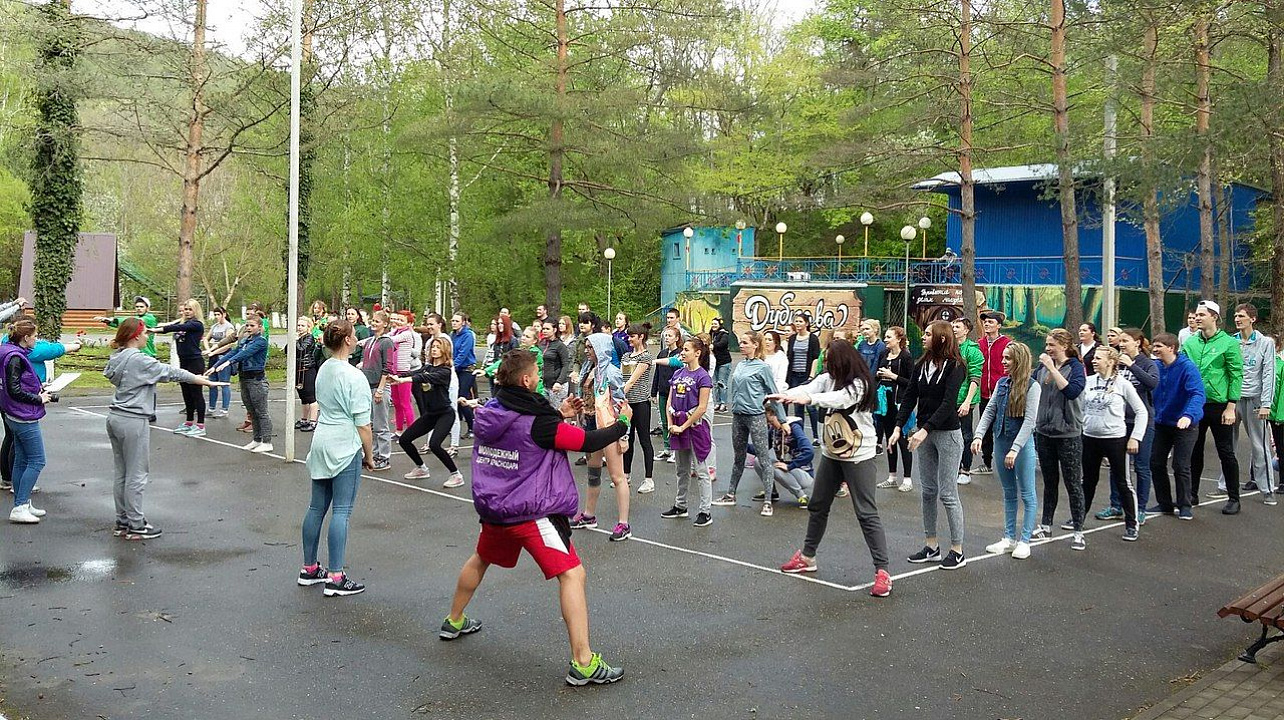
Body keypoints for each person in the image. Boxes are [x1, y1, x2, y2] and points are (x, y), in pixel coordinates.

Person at [441, 349, 628, 685]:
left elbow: (523, 429)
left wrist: (559, 412)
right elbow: (587, 441)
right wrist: (621, 424)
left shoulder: (491, 411)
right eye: (537, 374)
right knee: (573, 574)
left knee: (481, 558)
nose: (540, 377)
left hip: (496, 507)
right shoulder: (540, 423)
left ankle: (453, 620)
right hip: (529, 513)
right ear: (526, 380)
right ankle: (583, 662)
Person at [776, 339, 891, 596]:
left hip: (859, 455)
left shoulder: (860, 384)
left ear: (844, 362)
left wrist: (809, 400)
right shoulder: (828, 377)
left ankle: (883, 571)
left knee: (866, 512)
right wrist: (786, 395)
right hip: (832, 452)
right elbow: (808, 388)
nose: (828, 366)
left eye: (832, 361)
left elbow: (838, 400)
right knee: (818, 504)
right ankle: (808, 557)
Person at [103, 317, 226, 538]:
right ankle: (136, 524)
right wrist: (203, 381)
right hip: (133, 419)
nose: (147, 336)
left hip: (115, 417)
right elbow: (172, 372)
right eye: (145, 333)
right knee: (137, 474)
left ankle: (123, 521)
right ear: (136, 336)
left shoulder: (117, 357)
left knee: (122, 472)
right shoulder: (139, 360)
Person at [297, 319, 375, 596]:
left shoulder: (323, 369)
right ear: (348, 341)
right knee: (341, 510)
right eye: (354, 335)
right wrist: (369, 455)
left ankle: (309, 568)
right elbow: (363, 425)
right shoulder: (355, 376)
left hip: (321, 440)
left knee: (316, 507)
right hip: (344, 443)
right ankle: (336, 576)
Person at [892, 321, 968, 570]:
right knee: (928, 491)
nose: (923, 338)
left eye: (927, 334)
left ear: (942, 339)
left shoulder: (956, 367)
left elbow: (948, 404)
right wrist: (898, 427)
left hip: (947, 434)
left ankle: (957, 550)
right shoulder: (921, 364)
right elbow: (909, 395)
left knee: (948, 494)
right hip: (924, 434)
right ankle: (931, 545)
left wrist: (925, 429)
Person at [972, 342, 1040, 559]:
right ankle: (1009, 537)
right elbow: (990, 410)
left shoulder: (1032, 386)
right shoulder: (1002, 383)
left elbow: (1030, 422)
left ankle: (1025, 540)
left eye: (1008, 358)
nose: (1003, 362)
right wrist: (979, 435)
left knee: (1027, 493)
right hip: (1001, 442)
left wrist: (1015, 449)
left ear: (1019, 360)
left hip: (1020, 446)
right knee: (1009, 492)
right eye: (1003, 358)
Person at [1080, 347, 1148, 543]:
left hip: (1115, 439)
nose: (1094, 361)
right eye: (1093, 358)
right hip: (1090, 438)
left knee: (1123, 482)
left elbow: (1141, 412)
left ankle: (1132, 524)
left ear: (1110, 361)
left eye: (1098, 358)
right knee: (1088, 481)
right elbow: (1080, 408)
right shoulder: (1089, 381)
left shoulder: (1123, 384)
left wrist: (1135, 437)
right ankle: (1078, 519)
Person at [1183, 300, 1244, 514]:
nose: (1197, 318)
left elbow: (1236, 374)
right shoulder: (1190, 343)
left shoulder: (1228, 343)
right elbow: (1184, 370)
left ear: (1214, 317)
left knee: (1225, 451)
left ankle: (1234, 497)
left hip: (1219, 406)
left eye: (1202, 314)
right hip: (1196, 404)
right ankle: (1192, 493)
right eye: (1196, 315)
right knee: (1194, 450)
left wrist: (1231, 406)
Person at [713, 331, 781, 516]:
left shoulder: (763, 367)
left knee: (763, 458)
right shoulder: (741, 365)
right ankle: (730, 494)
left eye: (744, 342)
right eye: (741, 342)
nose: (741, 345)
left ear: (755, 345)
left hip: (756, 416)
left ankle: (768, 501)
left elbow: (773, 394)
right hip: (738, 416)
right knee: (738, 457)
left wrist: (781, 420)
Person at [573, 332, 633, 541]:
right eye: (587, 348)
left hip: (609, 427)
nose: (588, 352)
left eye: (591, 348)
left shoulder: (612, 373)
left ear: (601, 349)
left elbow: (622, 405)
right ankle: (589, 515)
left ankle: (624, 523)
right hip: (592, 426)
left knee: (617, 476)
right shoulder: (589, 370)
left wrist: (623, 434)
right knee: (593, 473)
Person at [1032, 328, 1087, 549]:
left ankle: (1078, 531)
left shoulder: (1075, 367)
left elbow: (1072, 392)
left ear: (1064, 346)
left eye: (1052, 345)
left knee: (1073, 483)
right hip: (1045, 432)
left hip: (1068, 434)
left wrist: (1052, 368)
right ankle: (1046, 526)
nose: (1047, 349)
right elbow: (1033, 385)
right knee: (1049, 482)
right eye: (1046, 344)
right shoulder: (1042, 368)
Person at [1096, 328, 1158, 523]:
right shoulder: (1117, 365)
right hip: (1118, 422)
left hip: (1141, 422)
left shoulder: (1147, 363)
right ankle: (1116, 505)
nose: (1121, 344)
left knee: (1141, 466)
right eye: (1120, 341)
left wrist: (1132, 365)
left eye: (1126, 340)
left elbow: (1152, 383)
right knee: (1117, 466)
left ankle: (1140, 507)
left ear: (1137, 343)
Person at [1213, 304, 1274, 500]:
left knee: (1259, 446)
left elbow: (1269, 374)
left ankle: (1267, 490)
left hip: (1254, 400)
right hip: (1232, 400)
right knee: (1227, 444)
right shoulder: (1231, 342)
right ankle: (1224, 485)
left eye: (1242, 316)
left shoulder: (1265, 343)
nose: (1237, 319)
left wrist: (1266, 403)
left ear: (1252, 319)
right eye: (1236, 316)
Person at [0, 320, 54, 524]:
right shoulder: (16, 358)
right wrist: (39, 398)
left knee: (22, 459)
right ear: (25, 338)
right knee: (37, 460)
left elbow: (15, 385)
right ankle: (19, 506)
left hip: (11, 413)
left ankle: (23, 501)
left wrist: (37, 389)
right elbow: (15, 390)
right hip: (23, 415)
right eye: (34, 336)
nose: (36, 339)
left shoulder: (7, 351)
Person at [394, 336, 465, 488]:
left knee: (434, 444)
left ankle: (456, 475)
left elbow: (424, 377)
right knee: (404, 440)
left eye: (438, 347)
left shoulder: (445, 371)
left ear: (445, 351)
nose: (434, 349)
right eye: (433, 346)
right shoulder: (428, 367)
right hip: (431, 414)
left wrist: (404, 381)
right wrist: (396, 377)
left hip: (445, 414)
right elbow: (414, 373)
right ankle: (421, 468)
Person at [1148, 333, 1206, 520]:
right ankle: (1164, 503)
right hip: (1161, 423)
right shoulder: (1155, 366)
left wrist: (1188, 415)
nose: (1154, 349)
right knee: (1155, 462)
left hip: (1184, 425)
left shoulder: (1187, 368)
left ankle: (1184, 505)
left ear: (1171, 348)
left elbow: (1197, 394)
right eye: (1154, 346)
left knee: (1181, 465)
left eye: (1158, 346)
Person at [659, 337, 716, 526]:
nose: (682, 353)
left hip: (695, 428)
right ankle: (680, 505)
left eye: (686, 350)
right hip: (678, 428)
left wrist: (684, 425)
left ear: (697, 353)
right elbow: (670, 401)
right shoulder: (678, 374)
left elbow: (701, 407)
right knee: (681, 469)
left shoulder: (703, 376)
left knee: (701, 471)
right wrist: (670, 424)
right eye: (682, 349)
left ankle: (705, 511)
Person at [207, 314, 274, 452]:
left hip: (257, 381)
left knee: (261, 412)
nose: (248, 328)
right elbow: (233, 352)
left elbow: (245, 354)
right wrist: (215, 366)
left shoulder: (260, 341)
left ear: (260, 327)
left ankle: (267, 441)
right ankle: (257, 439)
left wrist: (228, 363)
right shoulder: (245, 340)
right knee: (251, 411)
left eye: (252, 325)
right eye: (247, 325)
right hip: (244, 379)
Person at [154, 299, 208, 436]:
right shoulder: (182, 322)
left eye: (190, 309)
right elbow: (171, 325)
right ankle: (189, 422)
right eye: (185, 309)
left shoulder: (196, 324)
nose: (187, 311)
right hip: (183, 362)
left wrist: (159, 330)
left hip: (195, 362)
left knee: (196, 394)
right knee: (186, 394)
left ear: (195, 310)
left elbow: (173, 328)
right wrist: (153, 329)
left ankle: (200, 425)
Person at [875, 326, 914, 492]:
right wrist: (879, 375)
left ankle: (907, 479)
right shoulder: (883, 354)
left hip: (900, 402)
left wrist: (893, 376)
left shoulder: (906, 357)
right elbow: (876, 372)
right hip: (885, 402)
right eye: (885, 336)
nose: (885, 339)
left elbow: (912, 383)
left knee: (903, 440)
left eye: (889, 337)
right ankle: (891, 476)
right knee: (890, 438)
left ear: (899, 339)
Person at [621, 323, 656, 494]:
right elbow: (622, 376)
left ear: (641, 337)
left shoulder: (646, 357)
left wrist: (620, 394)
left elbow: (632, 380)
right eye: (628, 336)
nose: (629, 339)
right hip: (627, 404)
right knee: (627, 439)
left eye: (632, 336)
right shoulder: (626, 356)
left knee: (644, 440)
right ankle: (626, 475)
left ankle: (649, 479)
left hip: (641, 403)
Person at [752, 408, 814, 506]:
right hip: (788, 470)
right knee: (758, 460)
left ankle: (802, 496)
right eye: (768, 423)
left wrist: (790, 466)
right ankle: (772, 492)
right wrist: (742, 446)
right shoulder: (774, 430)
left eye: (771, 422)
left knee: (776, 467)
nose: (770, 425)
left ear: (778, 416)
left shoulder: (794, 427)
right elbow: (761, 450)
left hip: (803, 473)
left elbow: (809, 451)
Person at [976, 311, 1011, 475]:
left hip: (1003, 393)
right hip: (984, 394)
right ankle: (987, 462)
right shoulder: (980, 344)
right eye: (985, 322)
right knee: (986, 428)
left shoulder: (1007, 343)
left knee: (1006, 428)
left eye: (990, 322)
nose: (986, 324)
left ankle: (1010, 461)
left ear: (998, 325)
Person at [953, 318, 983, 485]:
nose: (954, 329)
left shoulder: (972, 351)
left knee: (965, 434)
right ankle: (954, 467)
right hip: (949, 399)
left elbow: (975, 378)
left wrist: (967, 401)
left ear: (966, 330)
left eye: (957, 327)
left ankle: (966, 468)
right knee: (950, 435)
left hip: (964, 399)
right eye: (952, 326)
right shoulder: (948, 347)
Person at [786, 313, 821, 441]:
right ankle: (799, 437)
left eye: (800, 321)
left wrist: (811, 376)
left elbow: (815, 358)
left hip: (806, 375)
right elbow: (790, 356)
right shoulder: (792, 338)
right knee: (797, 407)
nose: (798, 323)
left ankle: (816, 436)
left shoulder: (812, 338)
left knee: (811, 407)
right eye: (796, 321)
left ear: (806, 323)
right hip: (794, 375)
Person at [652, 326, 681, 463]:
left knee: (673, 421)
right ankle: (667, 448)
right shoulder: (662, 353)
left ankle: (676, 450)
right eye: (666, 335)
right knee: (664, 421)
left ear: (677, 338)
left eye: (670, 335)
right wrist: (654, 392)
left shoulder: (680, 354)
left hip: (675, 393)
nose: (667, 338)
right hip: (662, 392)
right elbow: (657, 373)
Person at [203, 307, 237, 417]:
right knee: (212, 383)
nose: (217, 316)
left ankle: (224, 409)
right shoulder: (214, 327)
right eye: (215, 314)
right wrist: (208, 349)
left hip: (224, 356)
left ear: (224, 314)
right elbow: (205, 338)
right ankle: (211, 408)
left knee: (224, 383)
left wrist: (214, 351)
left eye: (219, 314)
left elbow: (228, 344)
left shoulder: (229, 327)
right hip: (213, 356)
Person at [451, 313, 478, 439]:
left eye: (457, 321)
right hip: (456, 369)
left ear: (463, 322)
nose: (454, 323)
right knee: (453, 399)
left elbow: (463, 354)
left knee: (462, 398)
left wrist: (452, 367)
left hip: (467, 369)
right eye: (453, 320)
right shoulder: (453, 335)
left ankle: (472, 426)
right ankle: (452, 426)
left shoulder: (468, 335)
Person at [293, 316, 323, 432]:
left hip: (307, 369)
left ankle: (313, 421)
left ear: (308, 327)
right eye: (298, 325)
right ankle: (304, 419)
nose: (299, 328)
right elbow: (288, 350)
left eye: (302, 326)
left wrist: (295, 341)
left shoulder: (309, 338)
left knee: (311, 397)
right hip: (298, 369)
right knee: (303, 397)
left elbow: (301, 350)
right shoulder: (300, 338)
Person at [541, 320, 572, 410]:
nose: (544, 331)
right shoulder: (542, 344)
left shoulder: (560, 345)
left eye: (547, 329)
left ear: (554, 330)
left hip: (557, 386)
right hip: (545, 385)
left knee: (557, 413)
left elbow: (565, 365)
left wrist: (559, 382)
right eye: (543, 329)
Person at [709, 317, 732, 413]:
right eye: (712, 324)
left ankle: (723, 404)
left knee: (722, 383)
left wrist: (714, 345)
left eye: (715, 324)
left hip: (724, 362)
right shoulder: (711, 334)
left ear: (719, 324)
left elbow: (723, 343)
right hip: (715, 363)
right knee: (714, 384)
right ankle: (717, 402)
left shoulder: (724, 334)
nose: (714, 325)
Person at [762, 330, 788, 397]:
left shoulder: (781, 356)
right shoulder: (758, 355)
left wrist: (774, 394)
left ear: (776, 342)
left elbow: (781, 378)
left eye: (770, 340)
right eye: (765, 339)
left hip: (775, 391)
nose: (767, 342)